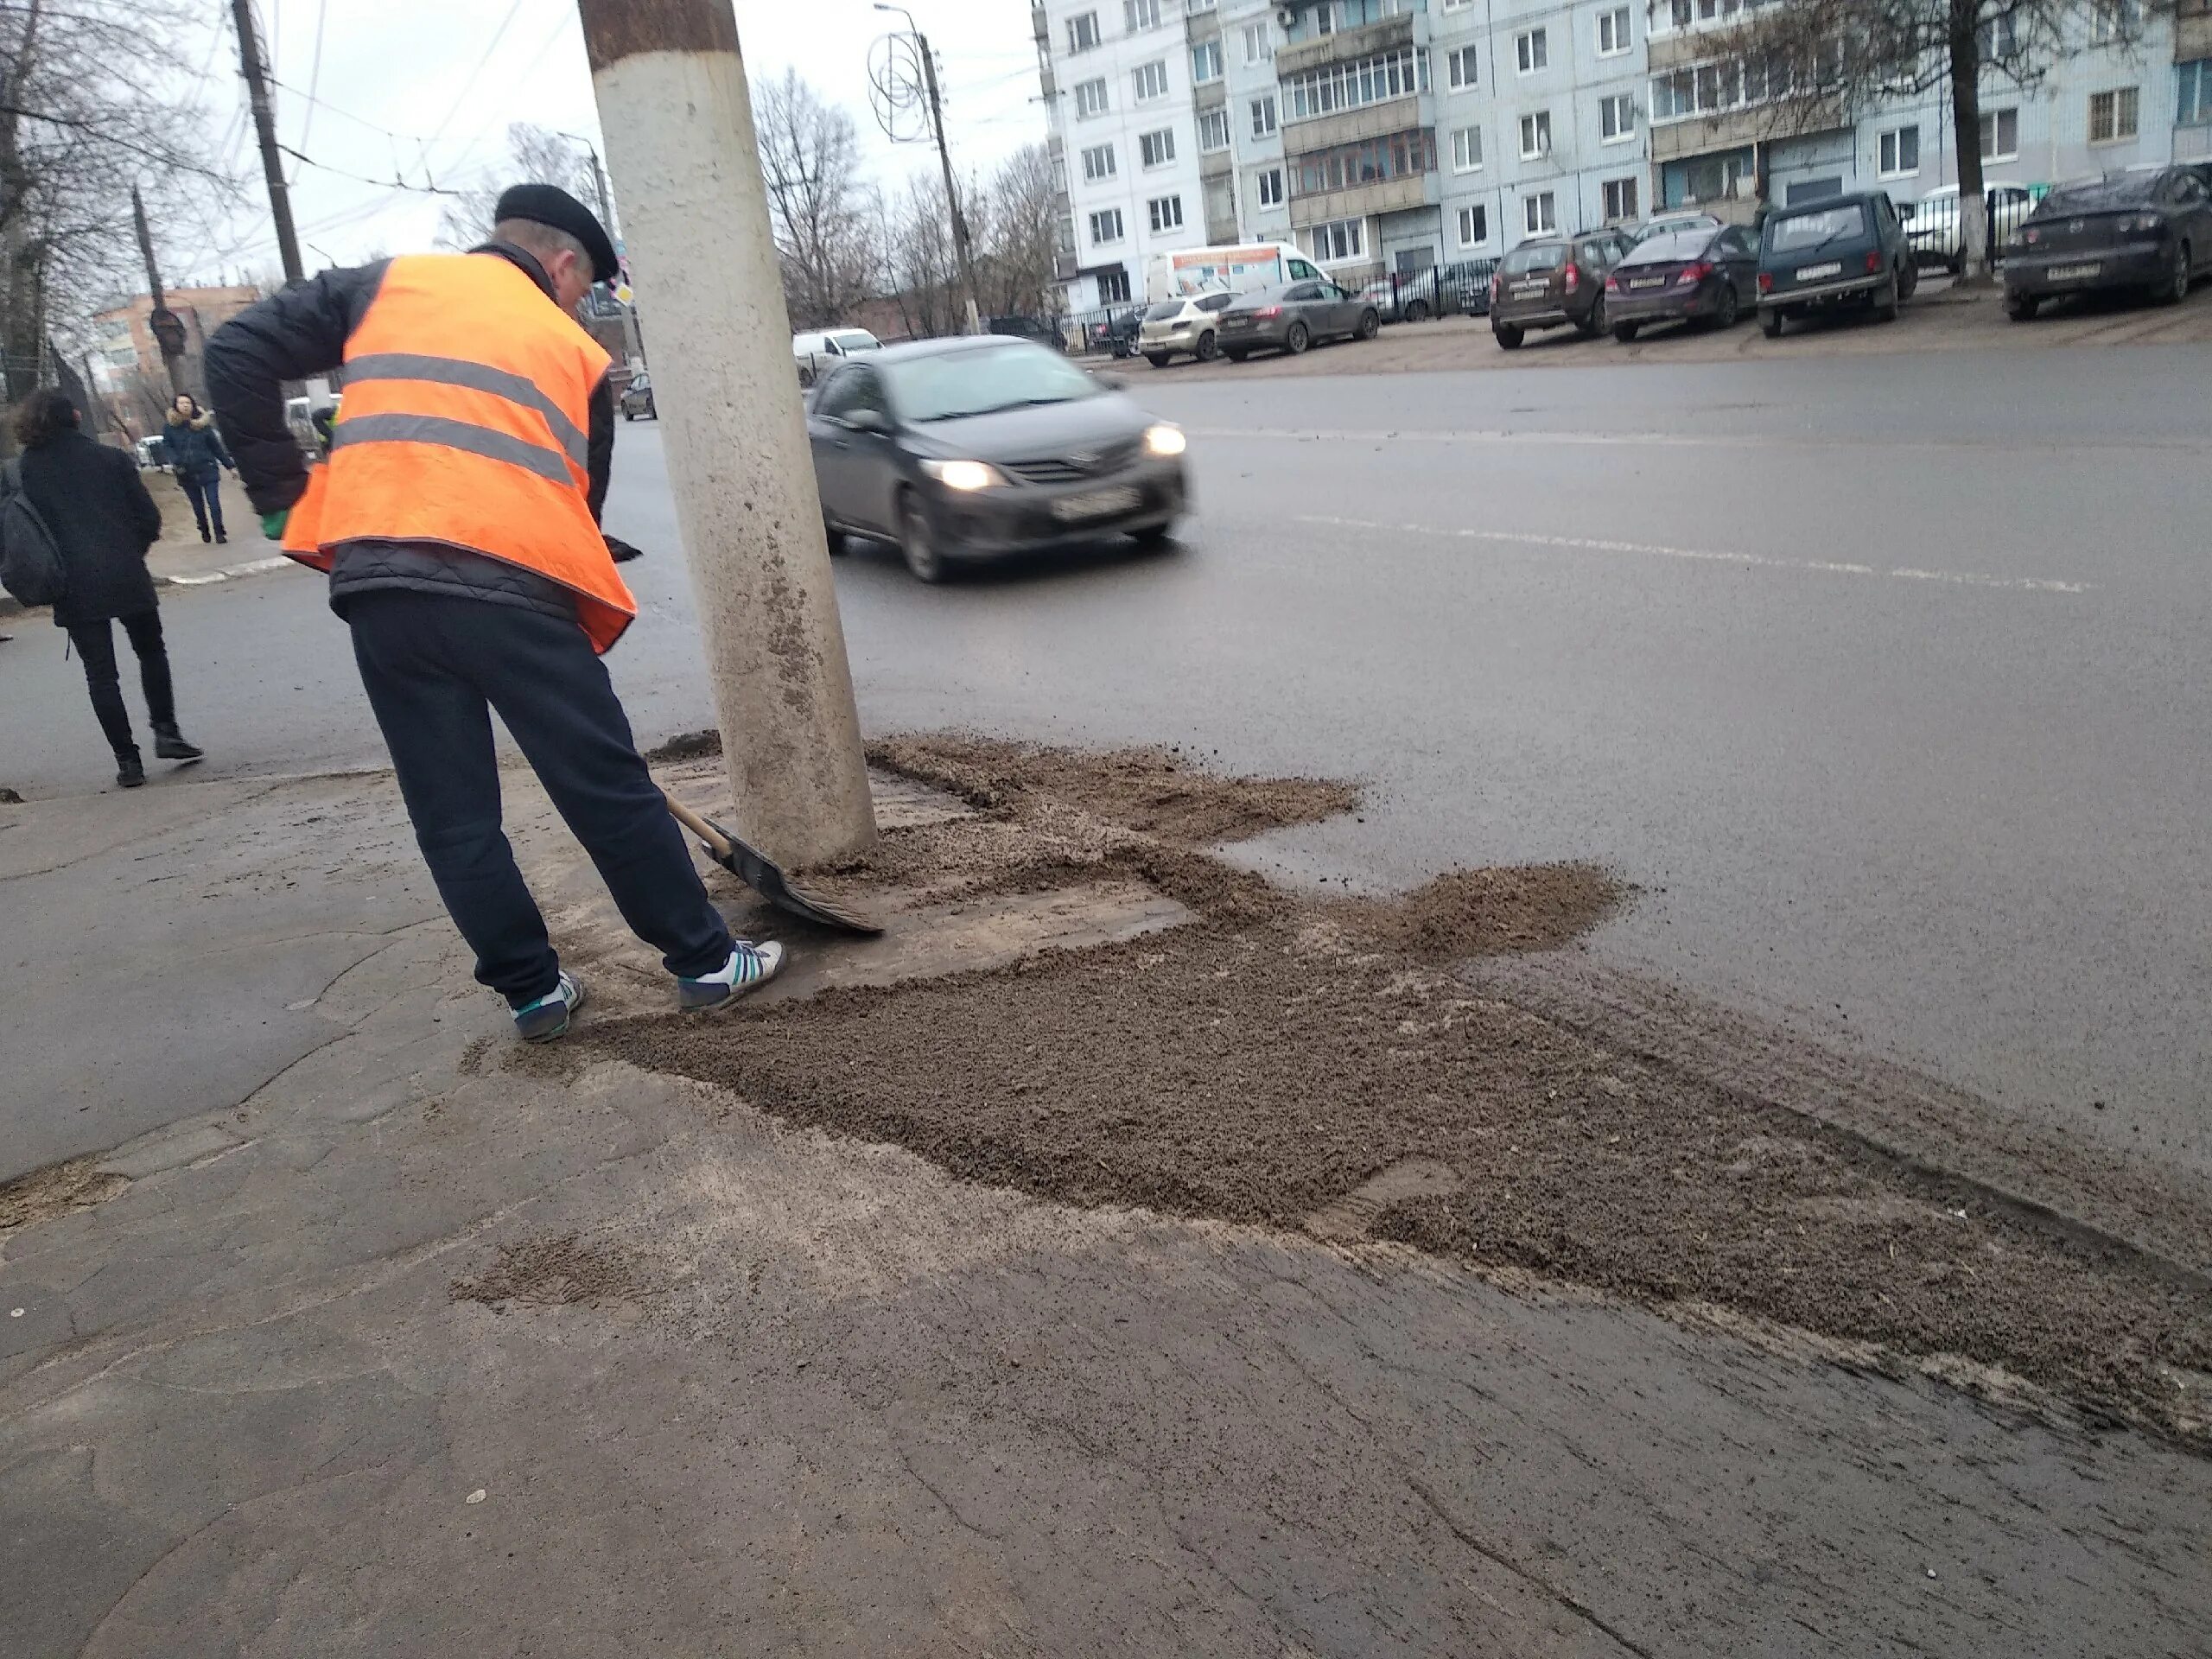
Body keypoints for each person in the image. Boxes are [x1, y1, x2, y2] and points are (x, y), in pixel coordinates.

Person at [206, 184, 783, 1043]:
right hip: (517, 585)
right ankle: (703, 961)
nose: (578, 305)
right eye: (584, 287)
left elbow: (235, 349)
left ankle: (532, 995)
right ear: (562, 264)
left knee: (453, 814)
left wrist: (281, 498)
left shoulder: (386, 285)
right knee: (604, 786)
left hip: (381, 588)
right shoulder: (573, 351)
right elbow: (581, 511)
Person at [10, 389, 204, 787]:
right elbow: (148, 518)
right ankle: (167, 731)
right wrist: (130, 551)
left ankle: (128, 762)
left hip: (69, 583)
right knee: (151, 651)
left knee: (100, 675)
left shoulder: (21, 473)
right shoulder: (112, 459)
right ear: (76, 417)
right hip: (125, 571)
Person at [160, 392, 237, 543]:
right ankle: (204, 528)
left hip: (207, 468)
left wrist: (230, 466)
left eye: (188, 403)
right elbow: (167, 446)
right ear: (176, 406)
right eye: (181, 403)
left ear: (193, 405)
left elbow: (216, 448)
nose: (185, 405)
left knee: (214, 502)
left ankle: (219, 531)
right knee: (198, 506)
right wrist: (176, 461)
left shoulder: (203, 426)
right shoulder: (170, 427)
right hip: (186, 472)